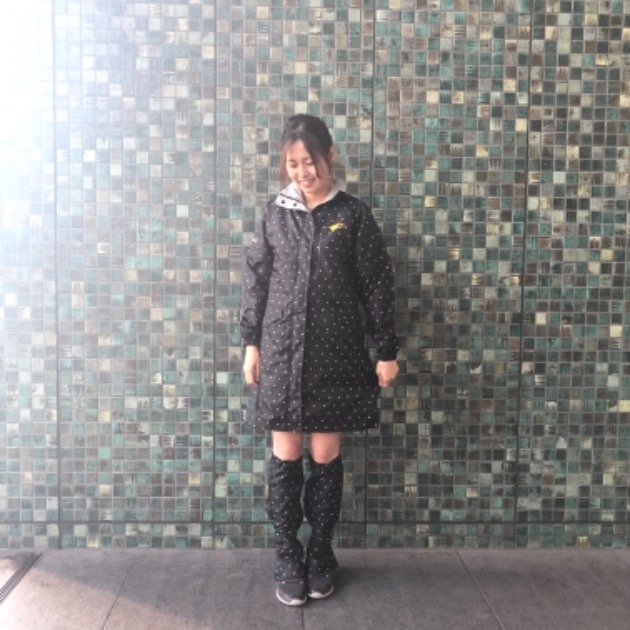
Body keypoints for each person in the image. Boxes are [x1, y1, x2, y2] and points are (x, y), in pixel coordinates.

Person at [240, 114, 399, 606]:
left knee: (326, 456)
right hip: (281, 351)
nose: (303, 172)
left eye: (309, 161)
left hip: (337, 354)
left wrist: (386, 350)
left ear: (329, 156)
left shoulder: (353, 214)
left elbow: (377, 283)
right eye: (293, 164)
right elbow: (257, 280)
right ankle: (288, 553)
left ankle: (322, 552)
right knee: (285, 455)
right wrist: (251, 343)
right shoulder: (275, 213)